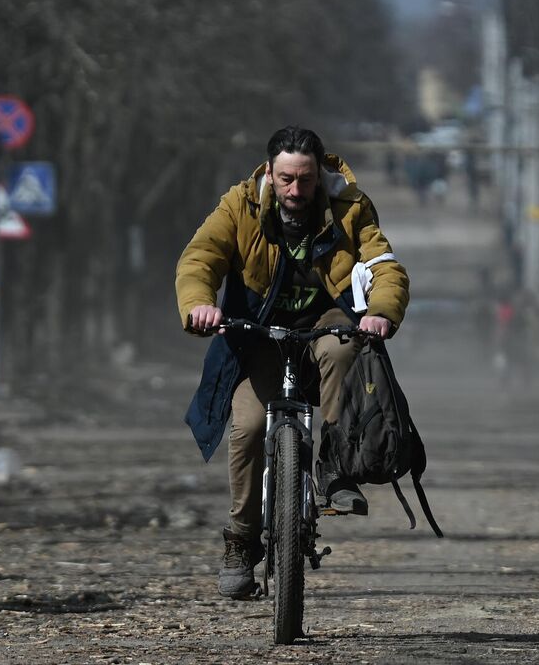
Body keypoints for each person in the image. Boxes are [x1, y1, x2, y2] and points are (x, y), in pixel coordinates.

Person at [175, 125, 408, 600]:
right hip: (258, 329)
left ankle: (334, 467)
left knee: (345, 349)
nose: (295, 191)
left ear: (319, 175)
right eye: (286, 180)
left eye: (304, 180)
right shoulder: (238, 206)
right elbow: (201, 258)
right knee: (245, 428)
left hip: (326, 320)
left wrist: (381, 313)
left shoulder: (351, 208)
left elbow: (383, 265)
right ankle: (241, 540)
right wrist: (200, 303)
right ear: (270, 173)